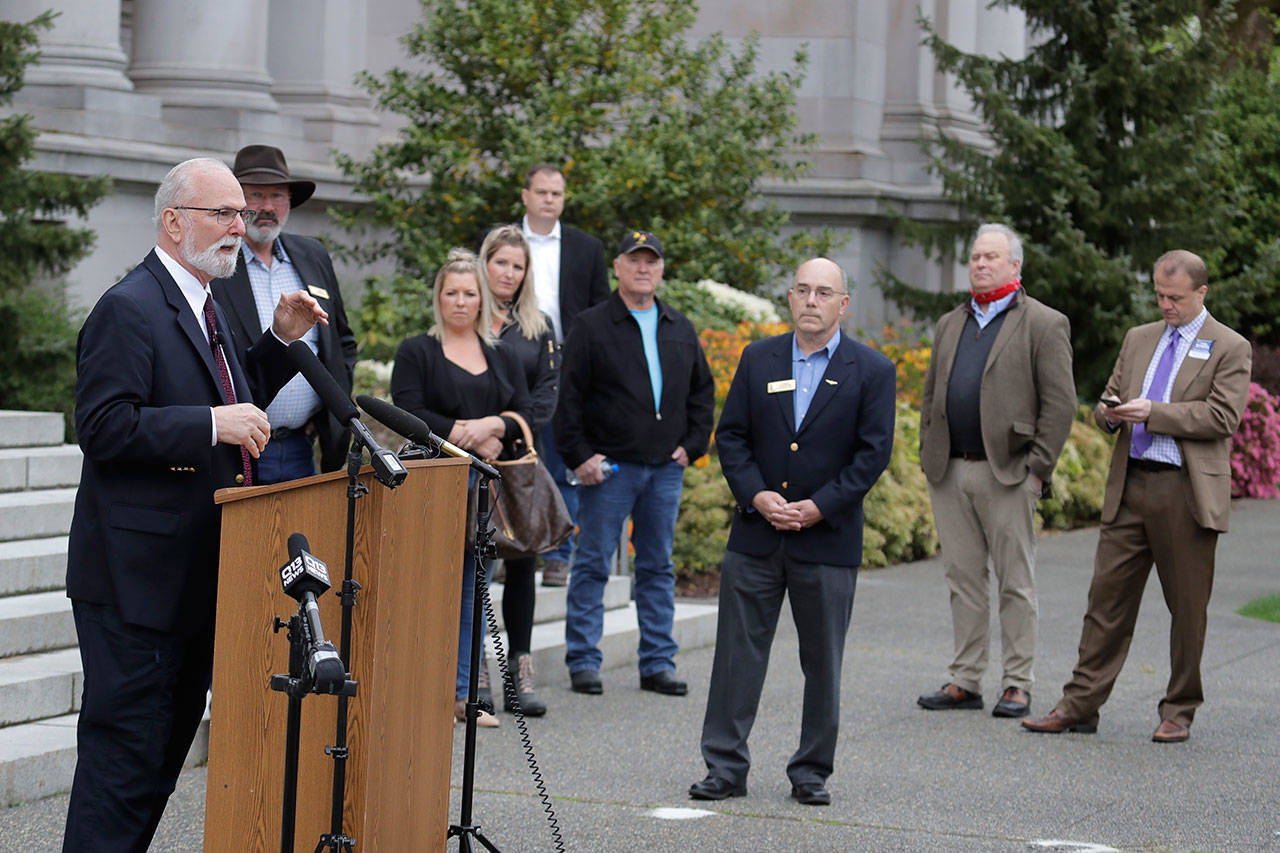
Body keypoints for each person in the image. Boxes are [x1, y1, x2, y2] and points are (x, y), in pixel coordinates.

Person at [63, 157, 328, 852]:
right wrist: (212, 423)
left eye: (242, 213)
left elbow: (234, 395)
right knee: (122, 766)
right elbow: (103, 427)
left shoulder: (206, 302)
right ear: (174, 221)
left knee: (154, 770)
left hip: (194, 576)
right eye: (222, 213)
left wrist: (278, 343)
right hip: (134, 584)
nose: (239, 227)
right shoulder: (131, 307)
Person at [689, 258, 896, 807]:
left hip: (826, 540)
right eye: (803, 290)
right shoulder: (759, 359)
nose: (811, 300)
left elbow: (872, 455)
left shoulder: (872, 370)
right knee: (736, 656)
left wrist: (818, 508)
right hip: (757, 535)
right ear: (789, 298)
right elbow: (731, 437)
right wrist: (756, 494)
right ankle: (725, 767)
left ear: (843, 304)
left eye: (824, 292)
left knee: (822, 662)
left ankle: (811, 772)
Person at [1022, 250, 1250, 743]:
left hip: (1185, 492)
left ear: (1201, 293)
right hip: (1130, 486)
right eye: (1160, 295)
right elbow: (1110, 395)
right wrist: (1109, 414)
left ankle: (1179, 709)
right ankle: (1080, 705)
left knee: (1187, 609)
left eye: (1176, 298)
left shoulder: (1229, 346)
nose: (1166, 305)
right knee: (1104, 602)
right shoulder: (1140, 338)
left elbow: (1222, 418)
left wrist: (1155, 413)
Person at [916, 223, 1076, 719]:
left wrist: (1037, 468)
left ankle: (1017, 682)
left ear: (1015, 266)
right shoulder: (951, 323)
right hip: (951, 473)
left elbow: (1061, 404)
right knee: (962, 578)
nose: (981, 264)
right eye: (975, 257)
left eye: (992, 257)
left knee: (1014, 580)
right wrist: (929, 455)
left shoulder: (1043, 323)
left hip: (1007, 473)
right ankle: (966, 678)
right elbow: (930, 396)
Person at [553, 230, 714, 697]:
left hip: (665, 469)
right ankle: (584, 660)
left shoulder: (678, 325)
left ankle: (657, 662)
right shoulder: (591, 325)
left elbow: (703, 391)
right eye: (634, 260)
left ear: (661, 270)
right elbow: (570, 401)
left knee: (658, 566)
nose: (643, 268)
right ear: (618, 268)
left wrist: (694, 444)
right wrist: (579, 457)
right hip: (610, 471)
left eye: (652, 261)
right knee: (593, 565)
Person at [390, 248, 533, 728]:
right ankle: (416, 688)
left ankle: (463, 696)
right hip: (435, 484)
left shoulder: (501, 355)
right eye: (450, 292)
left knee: (476, 590)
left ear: (482, 299)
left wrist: (493, 424)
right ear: (439, 297)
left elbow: (524, 414)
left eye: (469, 293)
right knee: (429, 587)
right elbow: (406, 410)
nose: (459, 301)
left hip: (484, 491)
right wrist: (460, 432)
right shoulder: (417, 350)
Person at [211, 144, 358, 483]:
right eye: (256, 195)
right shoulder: (216, 263)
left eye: (277, 196)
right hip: (237, 450)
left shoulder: (312, 253)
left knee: (301, 536)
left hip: (299, 447)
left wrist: (328, 403)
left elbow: (342, 341)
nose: (266, 207)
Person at [478, 224, 559, 716]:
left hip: (519, 461)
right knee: (477, 567)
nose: (509, 272)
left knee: (523, 565)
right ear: (485, 263)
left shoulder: (536, 325)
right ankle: (475, 673)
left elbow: (546, 398)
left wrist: (503, 430)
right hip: (472, 460)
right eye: (501, 262)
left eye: (518, 265)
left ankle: (519, 673)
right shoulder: (465, 315)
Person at [519, 163, 610, 587]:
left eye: (557, 193)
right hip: (512, 359)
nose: (549, 200)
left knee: (564, 459)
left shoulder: (586, 248)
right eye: (542, 192)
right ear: (526, 195)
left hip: (566, 364)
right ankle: (505, 543)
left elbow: (599, 310)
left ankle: (558, 554)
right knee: (510, 458)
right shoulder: (503, 242)